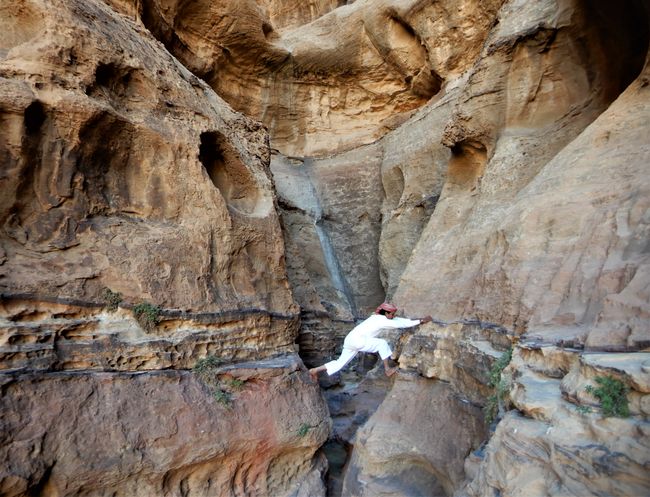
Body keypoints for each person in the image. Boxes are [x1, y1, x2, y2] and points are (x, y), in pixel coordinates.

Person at [309, 302, 432, 381]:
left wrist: (419, 320)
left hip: (350, 339)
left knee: (340, 363)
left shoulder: (377, 317)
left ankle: (315, 370)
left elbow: (399, 320)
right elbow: (400, 324)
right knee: (381, 343)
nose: (394, 315)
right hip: (357, 341)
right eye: (392, 314)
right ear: (387, 313)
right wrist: (420, 321)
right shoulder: (382, 320)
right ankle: (387, 369)